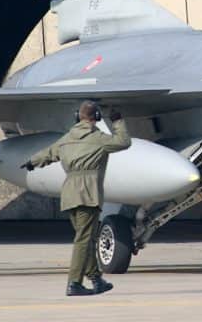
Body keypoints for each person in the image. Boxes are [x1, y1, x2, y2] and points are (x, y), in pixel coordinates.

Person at [21, 100, 131, 296]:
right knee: (83, 240)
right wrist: (117, 121)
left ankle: (96, 279)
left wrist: (31, 162)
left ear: (77, 117)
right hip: (88, 194)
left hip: (69, 194)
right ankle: (74, 283)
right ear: (96, 117)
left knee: (86, 238)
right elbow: (123, 142)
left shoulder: (67, 139)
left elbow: (49, 153)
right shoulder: (98, 138)